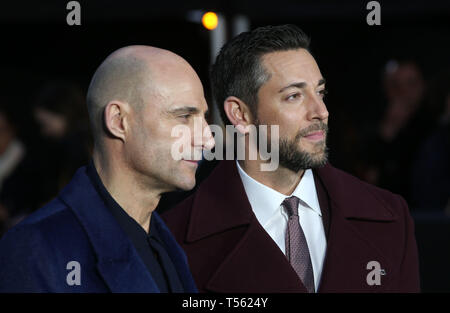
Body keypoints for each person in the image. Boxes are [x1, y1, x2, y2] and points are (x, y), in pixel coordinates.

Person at [162, 25, 420, 292]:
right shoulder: (173, 240)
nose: (321, 111)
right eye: (294, 96)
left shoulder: (389, 217)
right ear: (240, 114)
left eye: (320, 92)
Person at [0, 45, 214, 292]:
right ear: (118, 121)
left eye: (204, 119)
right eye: (184, 116)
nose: (207, 139)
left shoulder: (171, 243)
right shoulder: (35, 250)